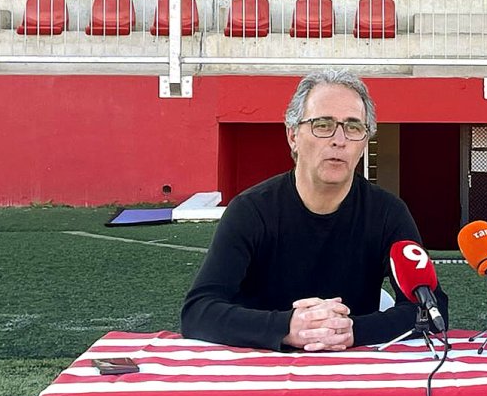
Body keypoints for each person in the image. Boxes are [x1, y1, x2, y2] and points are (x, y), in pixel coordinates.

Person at [181, 69, 448, 351]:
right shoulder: (250, 211)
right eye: (323, 124)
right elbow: (198, 310)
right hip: (263, 366)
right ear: (293, 136)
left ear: (364, 143)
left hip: (353, 367)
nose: (339, 140)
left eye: (353, 127)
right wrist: (287, 327)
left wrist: (354, 330)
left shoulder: (387, 213)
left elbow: (433, 309)